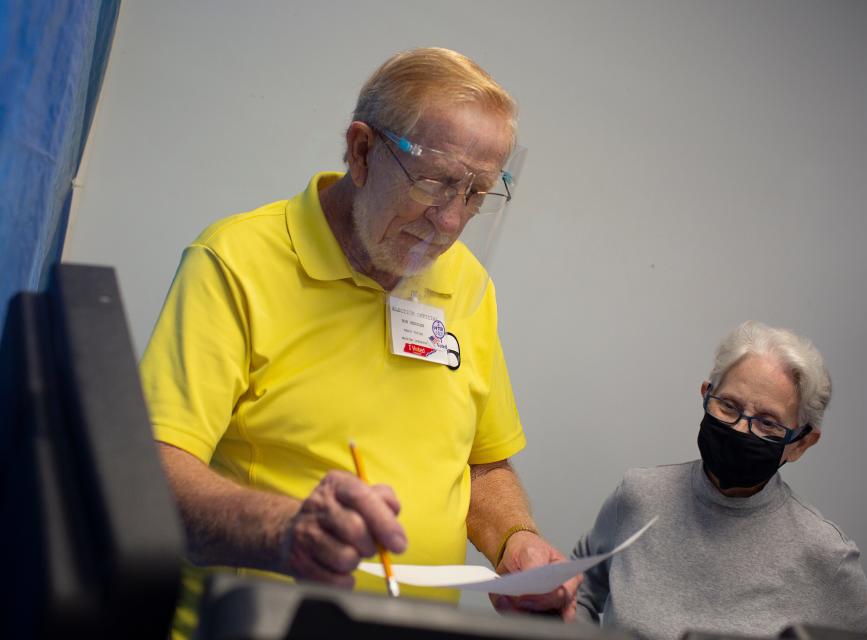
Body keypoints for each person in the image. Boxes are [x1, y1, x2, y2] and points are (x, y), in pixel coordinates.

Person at [140, 47, 579, 638]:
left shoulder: (467, 283)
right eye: (435, 182)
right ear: (363, 151)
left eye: (475, 194)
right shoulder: (236, 261)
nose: (449, 222)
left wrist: (514, 540)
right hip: (253, 625)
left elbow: (480, 463)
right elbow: (155, 472)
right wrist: (285, 531)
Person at [573, 320, 867, 639]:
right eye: (729, 406)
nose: (739, 429)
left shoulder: (825, 553)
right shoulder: (639, 496)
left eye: (767, 423)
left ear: (801, 443)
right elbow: (577, 586)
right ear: (707, 395)